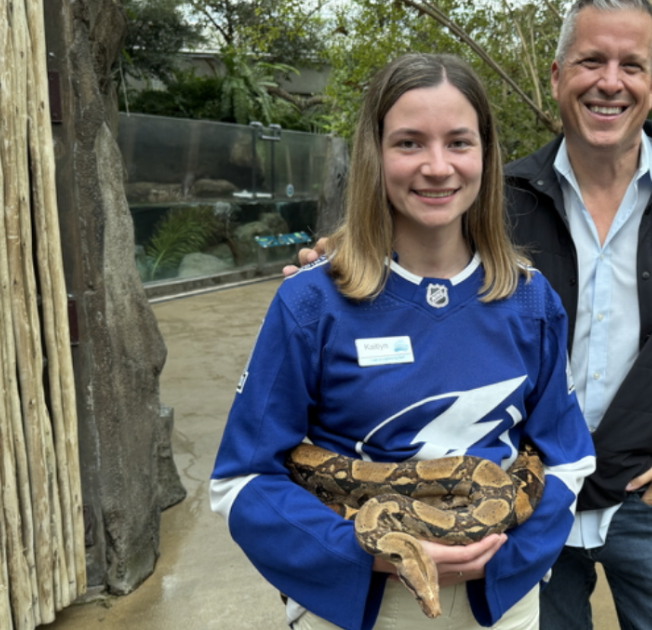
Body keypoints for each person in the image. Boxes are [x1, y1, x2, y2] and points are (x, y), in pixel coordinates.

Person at [288, 1, 652, 627]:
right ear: (556, 76)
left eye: (631, 65)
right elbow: (410, 245)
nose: (610, 82)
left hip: (650, 499)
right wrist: (338, 254)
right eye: (590, 60)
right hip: (522, 500)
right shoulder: (495, 199)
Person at [210, 53, 597, 630]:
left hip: (501, 604)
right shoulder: (310, 303)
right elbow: (241, 481)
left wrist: (507, 560)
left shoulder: (531, 300)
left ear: (486, 155)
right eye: (409, 143)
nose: (437, 167)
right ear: (375, 153)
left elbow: (569, 461)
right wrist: (365, 552)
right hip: (357, 607)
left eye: (459, 142)